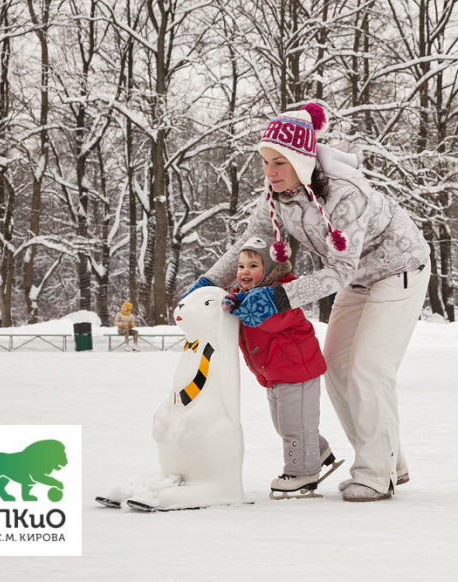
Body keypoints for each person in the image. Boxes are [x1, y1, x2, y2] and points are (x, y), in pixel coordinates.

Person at [187, 102, 430, 502]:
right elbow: (251, 241)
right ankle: (390, 459)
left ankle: (375, 472)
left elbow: (339, 271)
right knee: (334, 367)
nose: (270, 171)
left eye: (279, 162)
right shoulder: (275, 196)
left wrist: (279, 297)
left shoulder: (345, 195)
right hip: (357, 279)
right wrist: (209, 282)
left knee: (368, 368)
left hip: (399, 269)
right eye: (265, 161)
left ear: (301, 161)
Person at [226, 234, 337, 497]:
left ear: (271, 269)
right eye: (241, 266)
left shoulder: (284, 294)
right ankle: (317, 450)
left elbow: (269, 322)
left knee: (293, 425)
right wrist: (237, 304)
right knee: (286, 424)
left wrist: (241, 307)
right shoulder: (247, 296)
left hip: (296, 371)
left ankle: (303, 471)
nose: (245, 272)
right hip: (276, 373)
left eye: (254, 266)